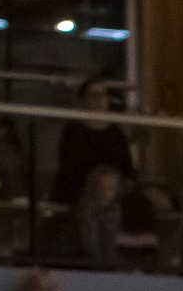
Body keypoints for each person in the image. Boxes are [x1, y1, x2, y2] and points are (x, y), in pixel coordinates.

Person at [50, 78, 139, 208]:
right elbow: (71, 169)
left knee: (140, 205)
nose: (100, 100)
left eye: (103, 95)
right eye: (94, 95)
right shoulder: (74, 131)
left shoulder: (116, 133)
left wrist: (122, 185)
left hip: (113, 191)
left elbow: (127, 168)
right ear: (83, 100)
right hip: (82, 191)